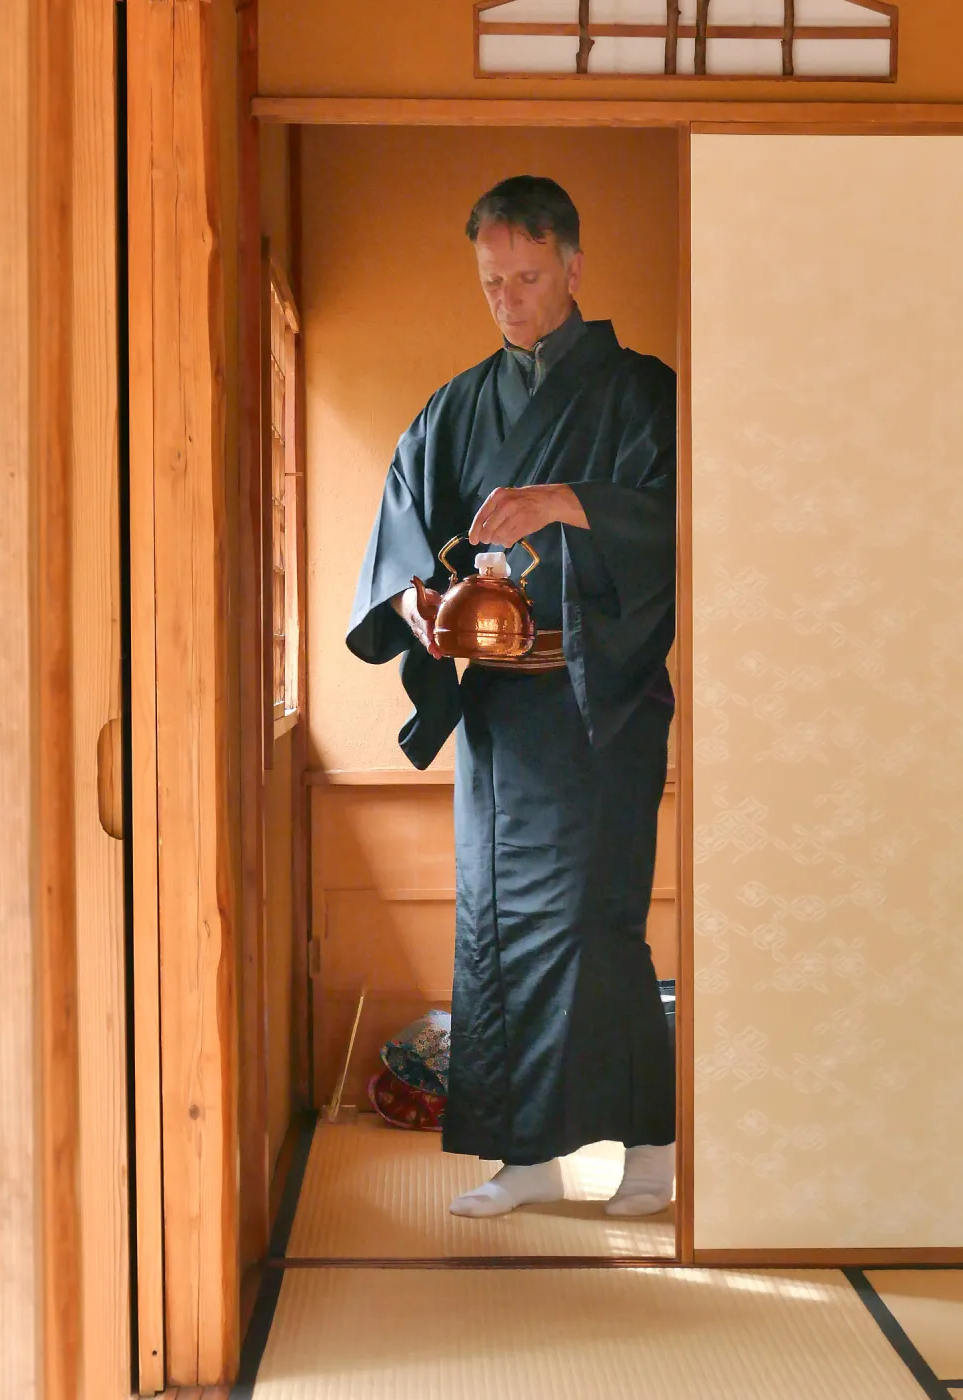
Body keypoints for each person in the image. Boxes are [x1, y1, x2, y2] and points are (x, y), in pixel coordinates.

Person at [347, 175, 677, 1218]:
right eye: (493, 282)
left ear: (574, 268)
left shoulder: (640, 390)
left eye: (529, 277)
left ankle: (652, 1150)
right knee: (495, 928)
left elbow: (679, 512)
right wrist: (411, 596)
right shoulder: (456, 406)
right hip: (499, 714)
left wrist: (566, 498)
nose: (511, 299)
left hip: (598, 703)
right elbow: (405, 519)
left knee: (596, 924)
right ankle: (523, 1157)